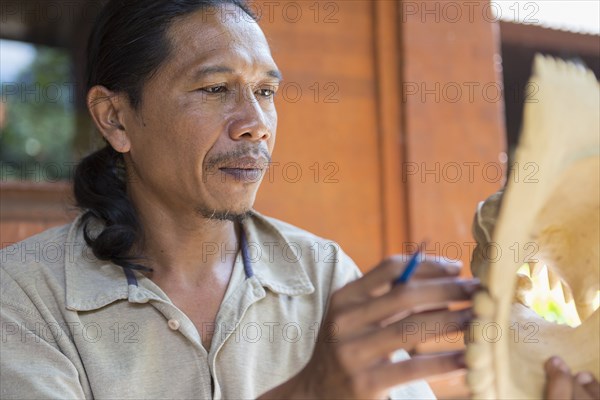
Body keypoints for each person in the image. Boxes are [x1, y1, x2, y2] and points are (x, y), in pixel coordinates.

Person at [2, 1, 587, 399]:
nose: (255, 123)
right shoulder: (26, 297)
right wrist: (309, 390)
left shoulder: (325, 274)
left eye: (265, 92)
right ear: (115, 118)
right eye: (214, 88)